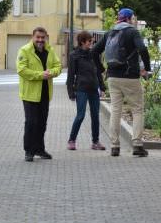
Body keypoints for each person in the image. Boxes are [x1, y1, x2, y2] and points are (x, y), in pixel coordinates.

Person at [92, 8, 151, 157]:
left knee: (116, 111)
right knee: (137, 110)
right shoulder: (132, 32)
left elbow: (94, 51)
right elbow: (142, 49)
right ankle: (137, 145)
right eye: (133, 18)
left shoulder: (110, 32)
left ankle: (114, 146)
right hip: (130, 76)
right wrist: (147, 69)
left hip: (112, 76)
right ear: (130, 18)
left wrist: (101, 68)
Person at [17, 27, 62, 162]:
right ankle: (29, 151)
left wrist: (52, 73)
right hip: (29, 94)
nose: (40, 40)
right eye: (38, 37)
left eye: (43, 37)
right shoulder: (24, 51)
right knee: (31, 122)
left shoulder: (50, 50)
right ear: (33, 37)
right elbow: (22, 70)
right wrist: (41, 75)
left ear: (46, 37)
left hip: (45, 94)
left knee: (42, 123)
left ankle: (39, 149)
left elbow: (58, 66)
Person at [66, 31, 106, 151]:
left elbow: (98, 71)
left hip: (94, 89)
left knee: (95, 116)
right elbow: (70, 75)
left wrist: (102, 87)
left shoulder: (93, 54)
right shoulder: (74, 55)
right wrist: (71, 92)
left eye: (92, 41)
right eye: (90, 41)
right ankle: (71, 140)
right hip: (81, 89)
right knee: (81, 115)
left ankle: (95, 142)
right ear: (82, 42)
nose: (92, 43)